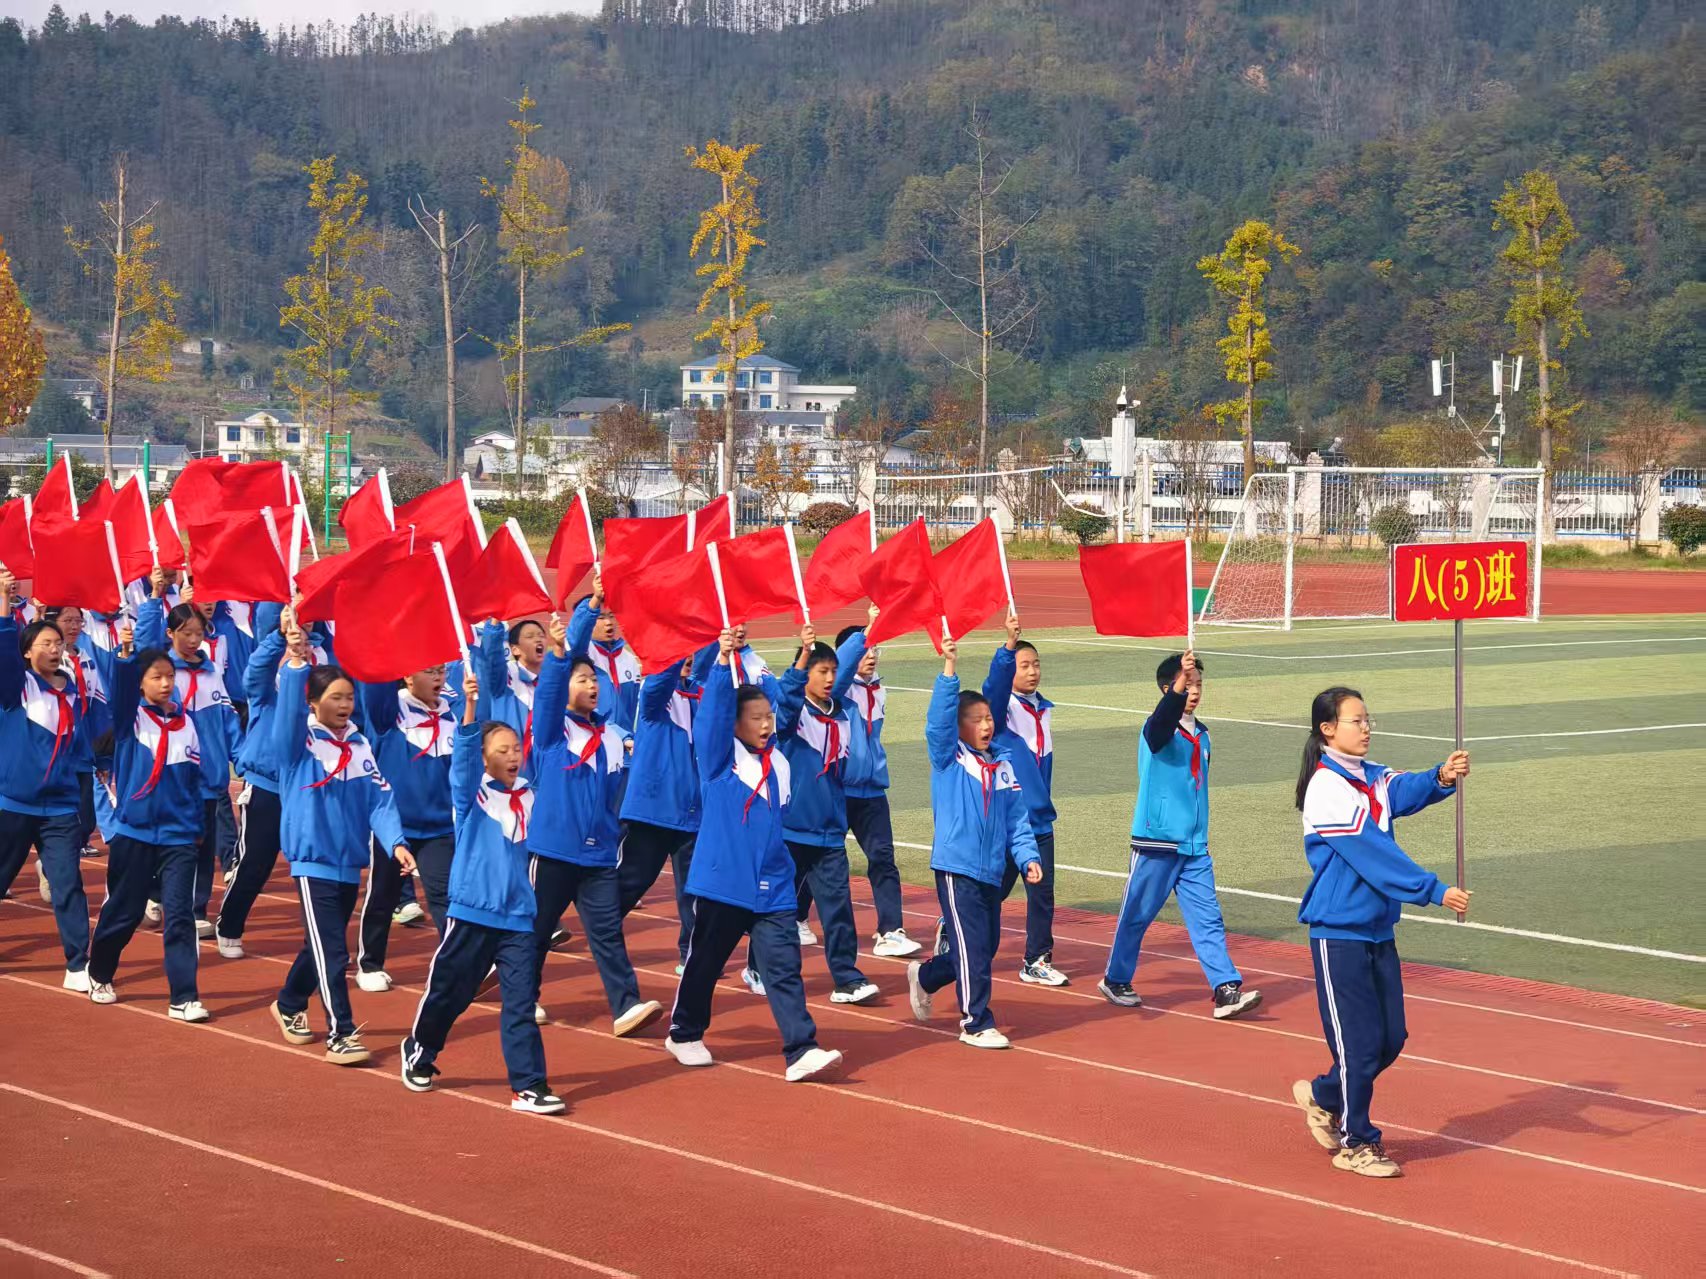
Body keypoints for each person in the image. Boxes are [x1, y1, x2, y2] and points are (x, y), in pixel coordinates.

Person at [1292, 686, 1471, 1179]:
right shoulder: (1326, 787)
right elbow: (1372, 852)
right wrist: (1432, 889)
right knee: (1358, 1045)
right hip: (1338, 932)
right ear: (1328, 730)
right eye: (1356, 721)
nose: (1366, 728)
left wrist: (1440, 776)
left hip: (1377, 929)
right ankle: (1358, 1142)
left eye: (1367, 719)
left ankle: (1325, 1095)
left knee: (1390, 1038)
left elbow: (1403, 790)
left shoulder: (1371, 776)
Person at [665, 629, 843, 1082]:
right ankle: (684, 1032)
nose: (766, 724)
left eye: (769, 717)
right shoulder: (719, 760)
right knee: (705, 963)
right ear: (735, 724)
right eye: (756, 718)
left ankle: (800, 1048)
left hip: (774, 885)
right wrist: (723, 661)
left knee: (784, 968)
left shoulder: (780, 763)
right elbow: (711, 715)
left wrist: (801, 659)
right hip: (724, 882)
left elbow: (784, 698)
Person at [401, 670, 564, 1114]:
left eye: (516, 750)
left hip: (518, 918)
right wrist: (471, 710)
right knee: (450, 992)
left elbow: (547, 737)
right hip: (473, 911)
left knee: (520, 1002)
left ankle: (528, 1085)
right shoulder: (471, 797)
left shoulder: (530, 795)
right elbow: (463, 762)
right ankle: (421, 1048)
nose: (513, 757)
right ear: (486, 758)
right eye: (502, 751)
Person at [266, 620, 416, 1066]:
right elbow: (287, 715)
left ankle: (290, 1003)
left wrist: (397, 843)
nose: (346, 705)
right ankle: (341, 1033)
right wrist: (296, 661)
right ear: (312, 704)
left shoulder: (361, 745)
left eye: (349, 697)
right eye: (336, 698)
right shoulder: (298, 745)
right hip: (312, 863)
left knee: (322, 946)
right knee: (334, 951)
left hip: (349, 862)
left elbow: (381, 800)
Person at [1099, 651, 1262, 1019]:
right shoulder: (1155, 728)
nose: (1195, 692)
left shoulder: (1203, 735)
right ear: (1168, 688)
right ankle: (1116, 978)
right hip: (1156, 842)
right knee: (1136, 915)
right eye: (1188, 684)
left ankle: (1225, 988)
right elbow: (1161, 723)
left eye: (1199, 685)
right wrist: (1177, 688)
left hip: (1194, 846)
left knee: (1208, 918)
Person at [525, 615, 660, 1036]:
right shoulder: (553, 730)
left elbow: (615, 793)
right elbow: (547, 696)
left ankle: (626, 1005)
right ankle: (523, 996)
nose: (591, 686)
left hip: (598, 852)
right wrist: (560, 657)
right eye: (581, 680)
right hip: (553, 849)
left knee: (606, 932)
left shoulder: (612, 737)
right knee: (537, 928)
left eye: (594, 680)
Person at [906, 639, 1041, 1049]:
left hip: (991, 869)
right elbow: (937, 723)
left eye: (988, 718)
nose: (986, 725)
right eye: (976, 719)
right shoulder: (949, 758)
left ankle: (925, 976)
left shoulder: (1002, 763)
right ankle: (976, 1022)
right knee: (972, 949)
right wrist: (950, 669)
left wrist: (1028, 856)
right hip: (956, 866)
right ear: (960, 726)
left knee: (984, 946)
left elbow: (1017, 818)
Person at [85, 628, 225, 1020]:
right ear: (141, 683)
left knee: (179, 914)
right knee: (125, 910)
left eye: (169, 676)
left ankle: (184, 995)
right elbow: (121, 693)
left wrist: (197, 825)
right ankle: (100, 971)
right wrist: (126, 655)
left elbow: (195, 781)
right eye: (156, 677)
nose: (166, 683)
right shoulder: (131, 722)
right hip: (135, 834)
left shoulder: (187, 725)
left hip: (179, 836)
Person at [757, 624, 879, 1006]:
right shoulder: (791, 718)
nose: (829, 679)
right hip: (792, 829)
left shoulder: (842, 714)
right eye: (820, 672)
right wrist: (802, 658)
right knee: (777, 907)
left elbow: (845, 675)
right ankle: (758, 966)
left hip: (829, 831)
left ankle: (846, 977)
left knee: (837, 909)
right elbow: (789, 699)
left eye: (832, 672)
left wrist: (868, 632)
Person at [213, 601, 329, 958]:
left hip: (309, 783)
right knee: (256, 862)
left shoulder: (325, 659)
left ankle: (323, 941)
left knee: (315, 864)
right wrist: (281, 638)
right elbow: (255, 676)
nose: (303, 626)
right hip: (267, 782)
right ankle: (229, 923)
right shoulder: (269, 669)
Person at [135, 574, 242, 939]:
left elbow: (228, 720)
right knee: (164, 839)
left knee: (202, 843)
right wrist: (154, 597)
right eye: (186, 633)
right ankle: (150, 891)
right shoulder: (163, 673)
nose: (194, 640)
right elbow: (144, 647)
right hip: (172, 774)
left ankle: (196, 909)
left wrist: (238, 758)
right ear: (171, 634)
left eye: (199, 633)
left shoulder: (212, 673)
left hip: (209, 776)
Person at [0, 572, 93, 990]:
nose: (56, 648)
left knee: (68, 882)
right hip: (12, 804)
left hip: (59, 808)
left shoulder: (75, 692)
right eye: (46, 643)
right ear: (26, 653)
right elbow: (3, 643)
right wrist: (4, 598)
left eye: (59, 643)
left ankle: (78, 965)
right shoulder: (15, 688)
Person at [354, 663, 458, 991]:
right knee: (383, 894)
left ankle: (457, 965)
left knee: (445, 897)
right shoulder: (391, 713)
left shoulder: (452, 715)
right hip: (393, 824)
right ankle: (369, 963)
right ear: (408, 676)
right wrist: (385, 647)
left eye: (442, 671)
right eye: (430, 672)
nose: (439, 678)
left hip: (439, 827)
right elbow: (375, 685)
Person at [616, 642, 717, 972]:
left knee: (694, 889)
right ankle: (600, 926)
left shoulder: (698, 695)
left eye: (690, 653)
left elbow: (706, 665)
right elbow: (661, 681)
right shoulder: (654, 696)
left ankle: (690, 952)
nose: (687, 658)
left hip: (692, 811)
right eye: (681, 652)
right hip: (654, 810)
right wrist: (671, 653)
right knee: (633, 881)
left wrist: (715, 634)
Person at [982, 614, 1068, 987]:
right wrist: (1008, 647)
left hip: (1040, 822)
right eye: (1024, 665)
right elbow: (993, 688)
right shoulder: (1001, 714)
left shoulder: (1043, 709)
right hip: (1009, 822)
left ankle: (1037, 958)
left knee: (1042, 893)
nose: (1032, 671)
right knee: (992, 891)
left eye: (1036, 665)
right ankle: (952, 929)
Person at [831, 613, 917, 958]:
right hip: (837, 788)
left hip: (871, 790)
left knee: (883, 859)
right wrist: (865, 631)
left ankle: (890, 930)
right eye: (865, 649)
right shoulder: (835, 691)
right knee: (819, 860)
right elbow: (840, 670)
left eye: (875, 648)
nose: (871, 654)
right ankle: (792, 918)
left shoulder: (878, 689)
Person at [575, 587, 641, 731]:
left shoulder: (629, 660)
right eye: (601, 617)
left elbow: (634, 710)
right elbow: (576, 637)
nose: (609, 622)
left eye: (611, 616)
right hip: (593, 738)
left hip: (626, 745)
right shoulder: (582, 656)